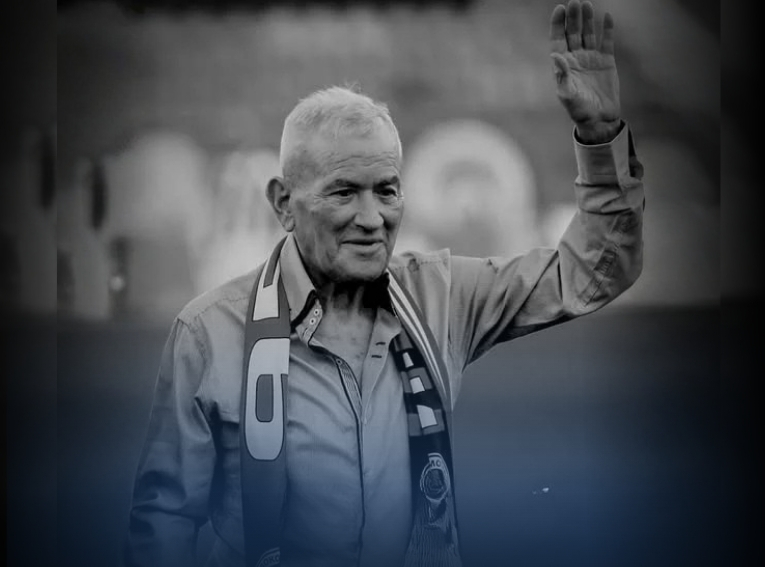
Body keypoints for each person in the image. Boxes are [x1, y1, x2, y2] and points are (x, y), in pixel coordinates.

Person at [125, 2, 644, 566]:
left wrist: (599, 137)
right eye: (344, 192)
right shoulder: (209, 332)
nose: (372, 218)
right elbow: (163, 522)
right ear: (283, 203)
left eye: (387, 191)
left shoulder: (440, 294)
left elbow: (594, 271)